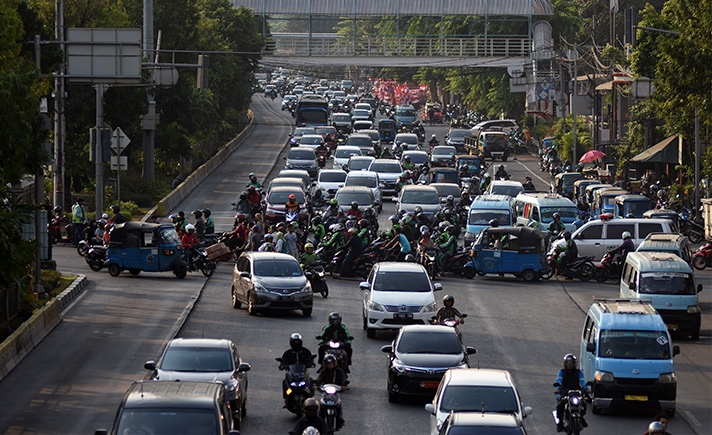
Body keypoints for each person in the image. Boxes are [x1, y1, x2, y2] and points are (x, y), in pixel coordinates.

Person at [554, 353, 590, 432]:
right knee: (560, 405)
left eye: (571, 363)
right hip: (565, 392)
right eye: (568, 363)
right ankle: (560, 423)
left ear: (574, 364)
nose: (570, 365)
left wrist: (586, 388)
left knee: (583, 403)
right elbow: (559, 381)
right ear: (565, 363)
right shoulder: (562, 372)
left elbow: (582, 381)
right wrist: (558, 388)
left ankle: (581, 417)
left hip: (577, 392)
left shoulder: (578, 372)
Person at [280, 333, 316, 407]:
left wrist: (311, 364)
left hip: (303, 373)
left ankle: (310, 397)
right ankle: (286, 400)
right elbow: (283, 361)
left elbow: (310, 359)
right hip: (292, 373)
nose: (296, 344)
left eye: (298, 342)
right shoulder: (288, 353)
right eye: (294, 342)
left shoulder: (305, 351)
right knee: (284, 382)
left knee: (311, 380)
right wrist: (282, 365)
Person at [314, 355, 347, 430]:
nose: (329, 365)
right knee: (321, 403)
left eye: (331, 363)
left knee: (339, 402)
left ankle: (340, 418)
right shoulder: (323, 372)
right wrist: (317, 385)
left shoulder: (339, 371)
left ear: (334, 363)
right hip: (326, 390)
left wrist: (344, 385)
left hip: (336, 390)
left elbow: (343, 378)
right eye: (328, 364)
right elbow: (319, 379)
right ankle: (319, 418)